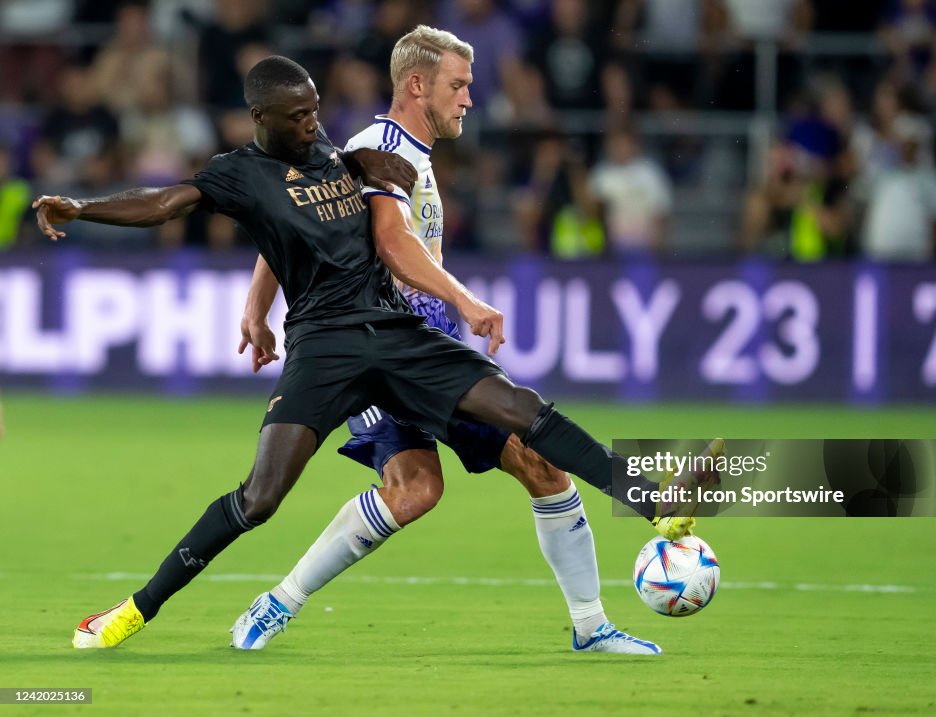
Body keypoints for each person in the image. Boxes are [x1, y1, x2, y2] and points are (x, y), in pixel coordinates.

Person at [33, 55, 692, 655]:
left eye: (316, 107)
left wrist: (361, 171)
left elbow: (335, 209)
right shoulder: (239, 174)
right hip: (325, 346)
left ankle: (650, 501)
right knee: (261, 498)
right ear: (262, 119)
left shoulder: (327, 149)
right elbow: (163, 204)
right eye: (299, 114)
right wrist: (84, 208)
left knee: (521, 409)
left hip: (394, 330)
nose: (313, 120)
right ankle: (134, 610)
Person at [229, 26, 689, 655]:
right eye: (459, 85)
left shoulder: (409, 154)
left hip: (425, 346)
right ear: (417, 85)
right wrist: (463, 300)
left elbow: (302, 227)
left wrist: (256, 310)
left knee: (535, 468)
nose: (471, 98)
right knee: (419, 488)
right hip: (379, 348)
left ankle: (591, 626)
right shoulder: (377, 149)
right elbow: (336, 233)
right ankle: (277, 604)